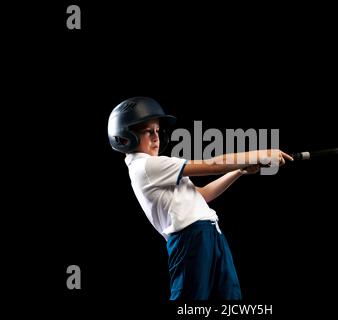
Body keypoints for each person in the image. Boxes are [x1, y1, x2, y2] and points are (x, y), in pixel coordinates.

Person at [107, 96, 293, 300]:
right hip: (190, 238)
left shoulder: (154, 168)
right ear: (125, 138)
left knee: (231, 300)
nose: (156, 137)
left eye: (158, 131)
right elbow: (212, 164)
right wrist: (261, 154)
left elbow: (202, 195)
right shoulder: (146, 166)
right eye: (148, 131)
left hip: (210, 233)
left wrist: (240, 171)